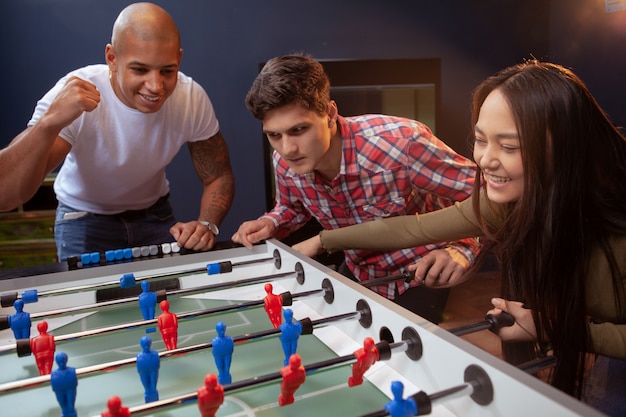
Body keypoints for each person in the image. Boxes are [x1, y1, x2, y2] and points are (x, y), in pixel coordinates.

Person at [294, 60, 626, 415]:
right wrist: (323, 240)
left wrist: (559, 328)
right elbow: (412, 228)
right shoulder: (514, 201)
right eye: (481, 140)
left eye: (510, 147)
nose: (485, 160)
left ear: (564, 148)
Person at [231, 53, 480, 324]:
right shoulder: (284, 161)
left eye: (299, 130)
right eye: (274, 135)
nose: (287, 148)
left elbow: (488, 199)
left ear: (330, 114)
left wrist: (463, 248)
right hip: (359, 273)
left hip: (418, 275)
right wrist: (272, 222)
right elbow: (292, 207)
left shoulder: (402, 143)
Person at [7, 2, 234, 261]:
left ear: (179, 59)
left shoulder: (190, 97)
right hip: (83, 219)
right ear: (112, 58)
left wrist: (207, 224)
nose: (155, 86)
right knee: (91, 301)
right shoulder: (76, 92)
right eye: (140, 69)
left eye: (167, 71)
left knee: (169, 299)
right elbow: (8, 194)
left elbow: (219, 176)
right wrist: (49, 122)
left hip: (155, 215)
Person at [50, 352, 78, 417]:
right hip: (59, 390)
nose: (62, 364)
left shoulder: (71, 371)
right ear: (57, 362)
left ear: (66, 361)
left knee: (71, 405)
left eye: (63, 361)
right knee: (63, 405)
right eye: (60, 362)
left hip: (70, 389)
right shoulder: (54, 374)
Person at [136, 335, 160, 402]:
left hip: (153, 370)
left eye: (147, 344)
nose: (146, 347)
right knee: (147, 387)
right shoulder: (139, 356)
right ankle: (149, 399)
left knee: (153, 386)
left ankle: (154, 399)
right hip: (144, 372)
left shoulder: (154, 354)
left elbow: (157, 365)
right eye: (145, 345)